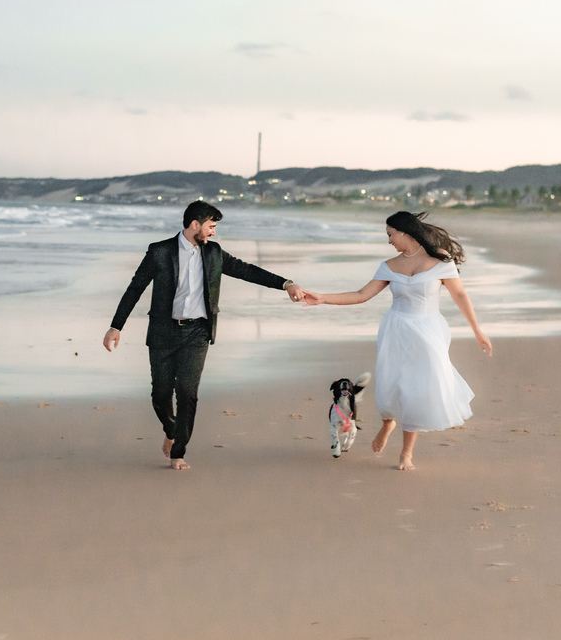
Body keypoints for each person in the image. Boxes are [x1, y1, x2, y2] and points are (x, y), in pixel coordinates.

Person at [103, 200, 309, 470]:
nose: (213, 232)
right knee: (161, 395)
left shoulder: (214, 253)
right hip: (163, 333)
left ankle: (179, 451)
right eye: (211, 226)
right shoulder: (160, 252)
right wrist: (116, 326)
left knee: (187, 392)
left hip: (197, 333)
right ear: (194, 225)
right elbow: (135, 289)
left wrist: (286, 283)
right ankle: (171, 428)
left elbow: (246, 270)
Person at [304, 211, 492, 470]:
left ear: (404, 232)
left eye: (391, 234)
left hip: (428, 331)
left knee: (415, 391)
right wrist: (322, 297)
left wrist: (477, 331)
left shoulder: (440, 260)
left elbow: (459, 294)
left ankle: (406, 454)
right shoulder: (389, 266)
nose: (389, 240)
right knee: (391, 387)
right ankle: (387, 423)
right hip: (395, 330)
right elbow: (361, 294)